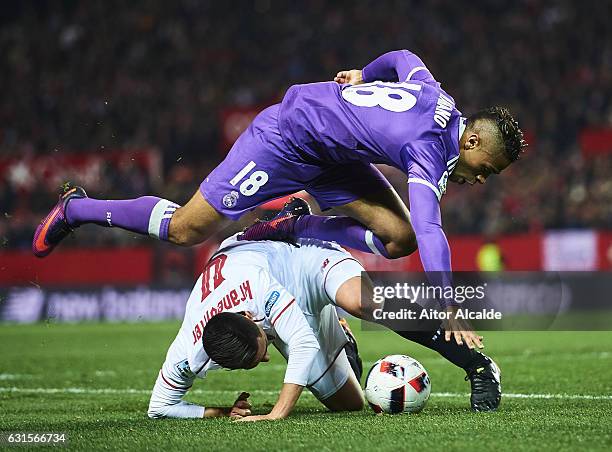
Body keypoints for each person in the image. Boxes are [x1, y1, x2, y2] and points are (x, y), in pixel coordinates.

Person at [33, 49, 525, 346]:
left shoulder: (436, 95)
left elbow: (404, 58)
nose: (480, 180)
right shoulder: (430, 151)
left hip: (335, 155)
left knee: (397, 239)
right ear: (472, 142)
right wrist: (449, 305)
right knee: (187, 229)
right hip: (288, 139)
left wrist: (365, 74)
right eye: (486, 171)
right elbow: (433, 227)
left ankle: (293, 225)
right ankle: (76, 208)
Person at [147, 201, 501, 420]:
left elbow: (301, 344)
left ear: (250, 317)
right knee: (349, 405)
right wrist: (218, 412)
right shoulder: (189, 351)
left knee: (364, 302)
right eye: (260, 360)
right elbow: (160, 407)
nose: (269, 359)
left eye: (262, 350)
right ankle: (344, 342)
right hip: (279, 304)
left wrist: (277, 413)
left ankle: (478, 365)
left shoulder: (253, 285)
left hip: (302, 261)